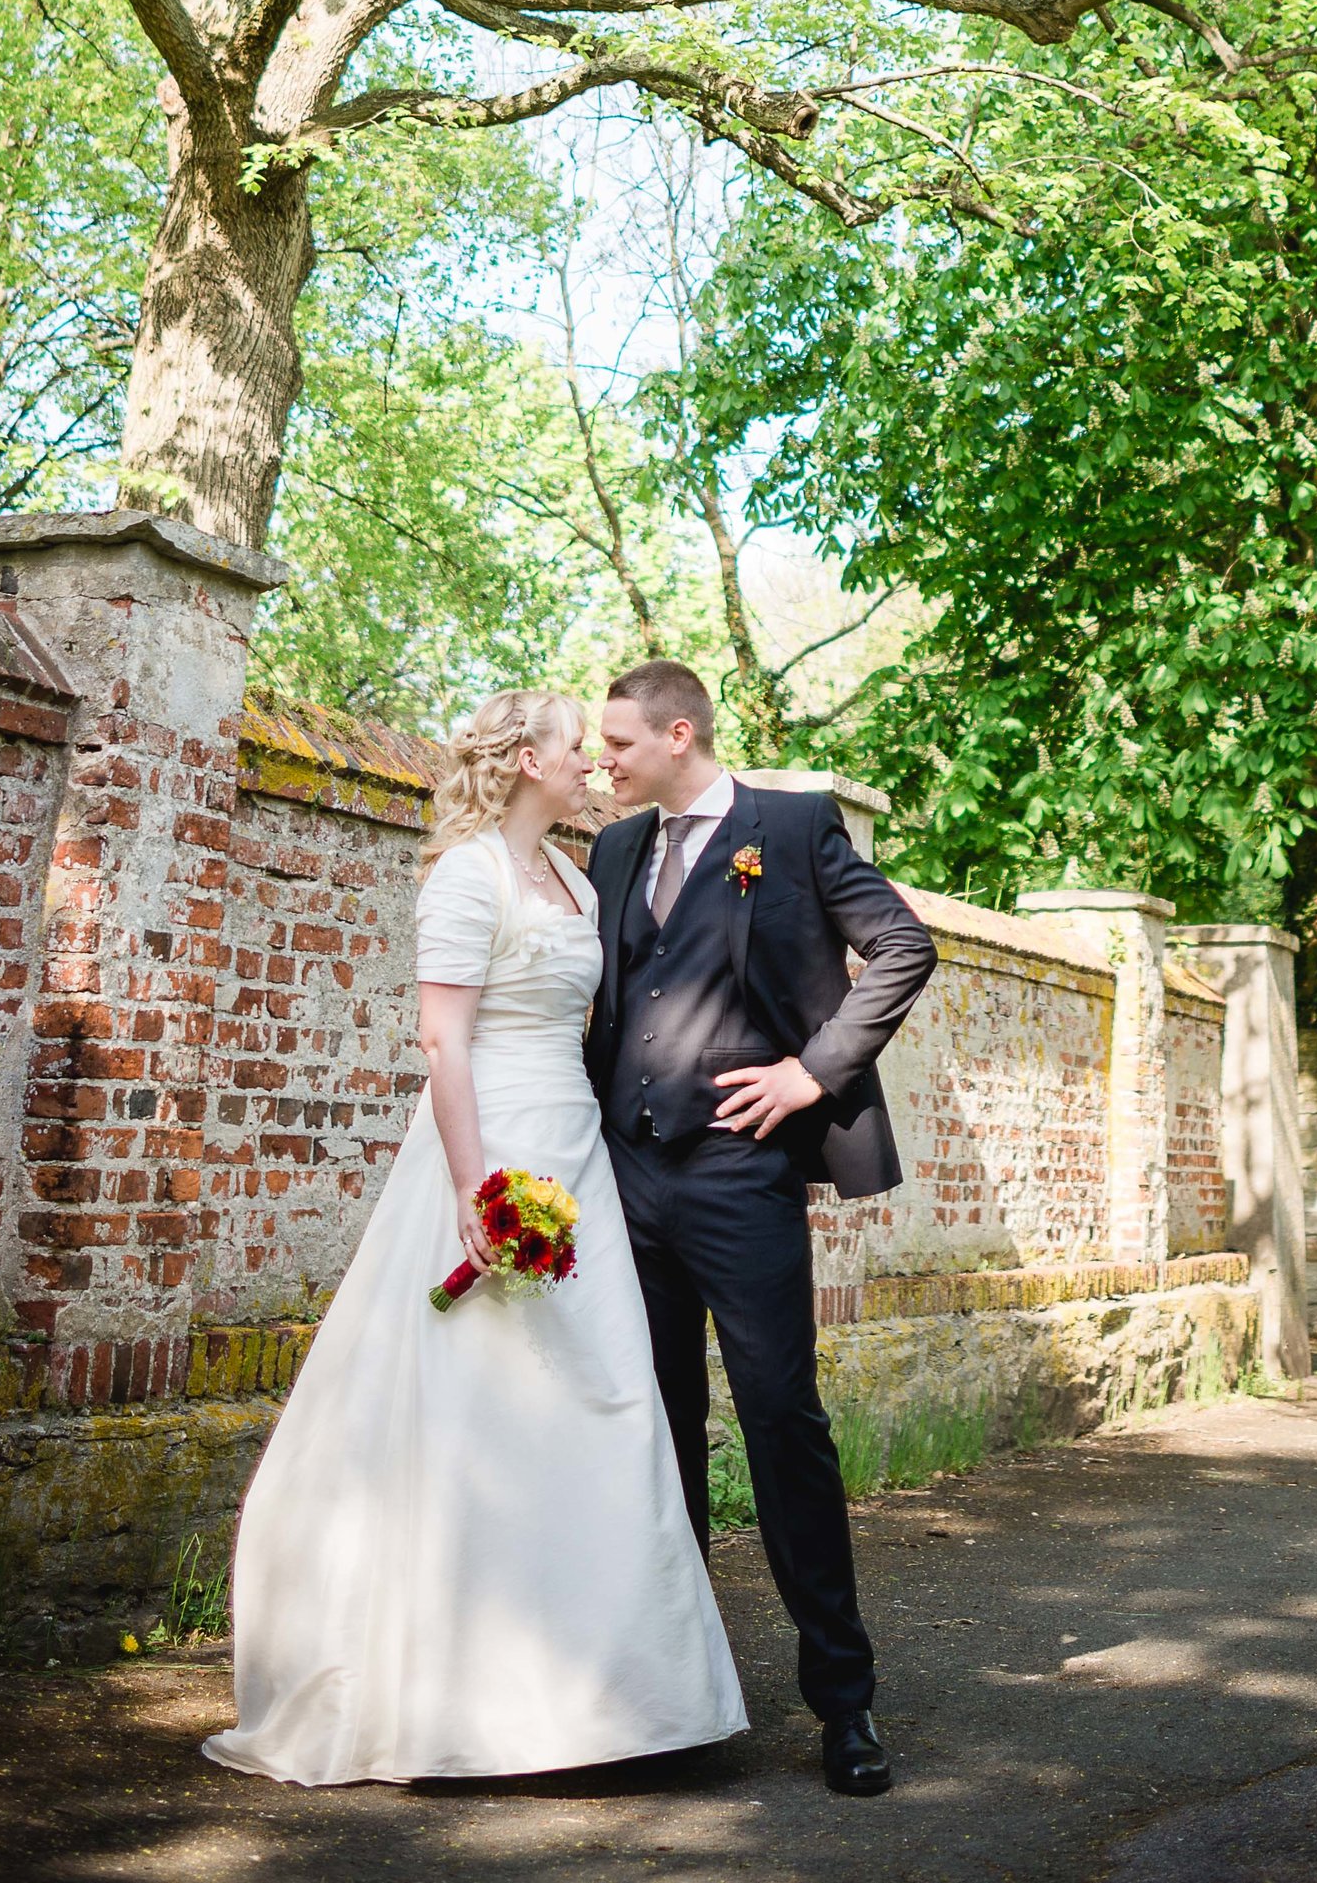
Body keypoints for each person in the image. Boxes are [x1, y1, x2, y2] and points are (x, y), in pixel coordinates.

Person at [203, 689, 745, 1788]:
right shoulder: (467, 874)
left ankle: (610, 1701)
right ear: (524, 760)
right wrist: (471, 1186)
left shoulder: (577, 879)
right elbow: (443, 1041)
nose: (593, 765)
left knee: (605, 1399)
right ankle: (457, 1704)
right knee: (475, 1410)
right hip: (487, 1146)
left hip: (575, 1154)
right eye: (573, 749)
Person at [590, 658, 937, 1802]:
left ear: (677, 733)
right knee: (655, 1433)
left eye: (621, 746)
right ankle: (671, 1700)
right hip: (625, 1176)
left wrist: (808, 1071)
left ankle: (844, 1703)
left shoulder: (787, 828)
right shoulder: (614, 850)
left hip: (741, 1181)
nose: (605, 764)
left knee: (783, 1423)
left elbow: (902, 946)